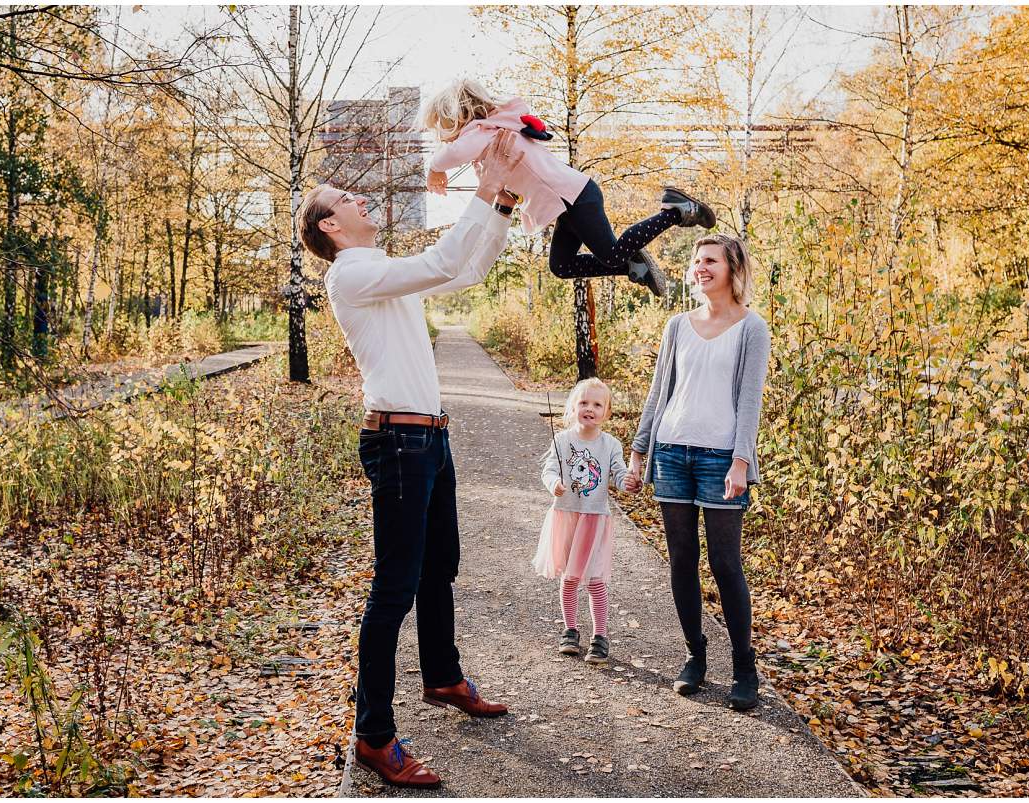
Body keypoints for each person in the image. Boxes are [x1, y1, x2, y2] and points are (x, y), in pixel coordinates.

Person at [298, 129, 524, 789]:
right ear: (330, 224)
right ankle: (372, 735)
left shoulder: (381, 270)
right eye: (348, 196)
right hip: (398, 441)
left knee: (439, 568)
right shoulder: (354, 272)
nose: (363, 198)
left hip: (430, 437)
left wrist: (503, 201)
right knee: (393, 588)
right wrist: (483, 185)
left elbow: (464, 268)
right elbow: (442, 259)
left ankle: (444, 675)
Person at [623, 233, 772, 710]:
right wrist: (639, 450)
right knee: (682, 560)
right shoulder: (677, 326)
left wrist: (741, 461)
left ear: (732, 268)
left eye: (709, 260)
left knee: (727, 564)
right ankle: (695, 657)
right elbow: (658, 392)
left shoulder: (752, 328)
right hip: (671, 452)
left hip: (720, 460)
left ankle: (744, 666)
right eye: (696, 261)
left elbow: (750, 402)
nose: (700, 267)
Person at [419, 78, 717, 298]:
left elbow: (452, 155)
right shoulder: (491, 135)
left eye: (441, 128)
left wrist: (434, 169)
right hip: (568, 205)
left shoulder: (482, 132)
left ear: (457, 117)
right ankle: (631, 265)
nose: (444, 139)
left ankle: (676, 211)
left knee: (611, 253)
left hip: (576, 197)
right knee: (561, 266)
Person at [533, 378, 632, 665]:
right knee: (570, 576)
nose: (590, 408)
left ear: (607, 412)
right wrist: (554, 484)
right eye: (584, 403)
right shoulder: (562, 440)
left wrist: (628, 482)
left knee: (595, 579)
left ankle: (600, 636)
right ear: (573, 407)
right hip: (566, 515)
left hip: (594, 519)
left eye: (597, 404)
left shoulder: (610, 444)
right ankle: (570, 630)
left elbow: (618, 473)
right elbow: (549, 469)